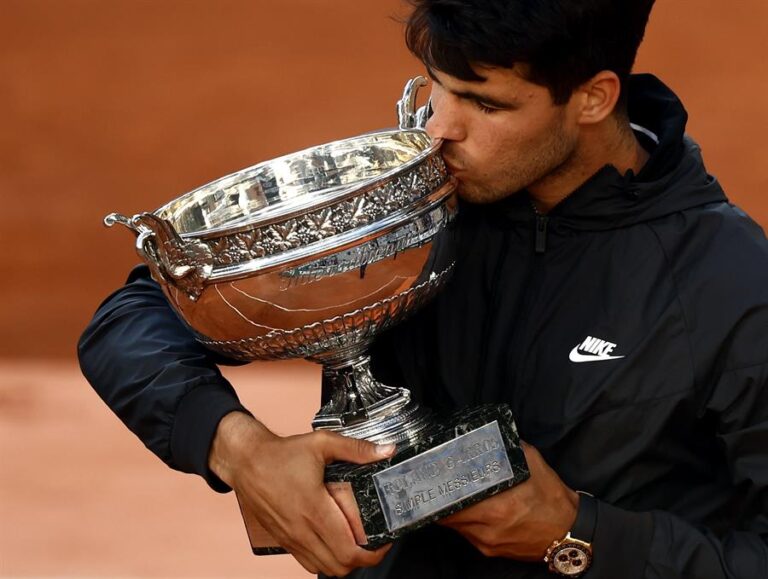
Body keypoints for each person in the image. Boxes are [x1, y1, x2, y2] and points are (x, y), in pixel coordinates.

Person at [79, 0, 768, 577]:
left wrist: (581, 536)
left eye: (484, 102)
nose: (439, 128)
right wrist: (241, 450)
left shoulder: (730, 283)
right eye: (436, 84)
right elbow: (133, 319)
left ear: (593, 97)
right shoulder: (405, 199)